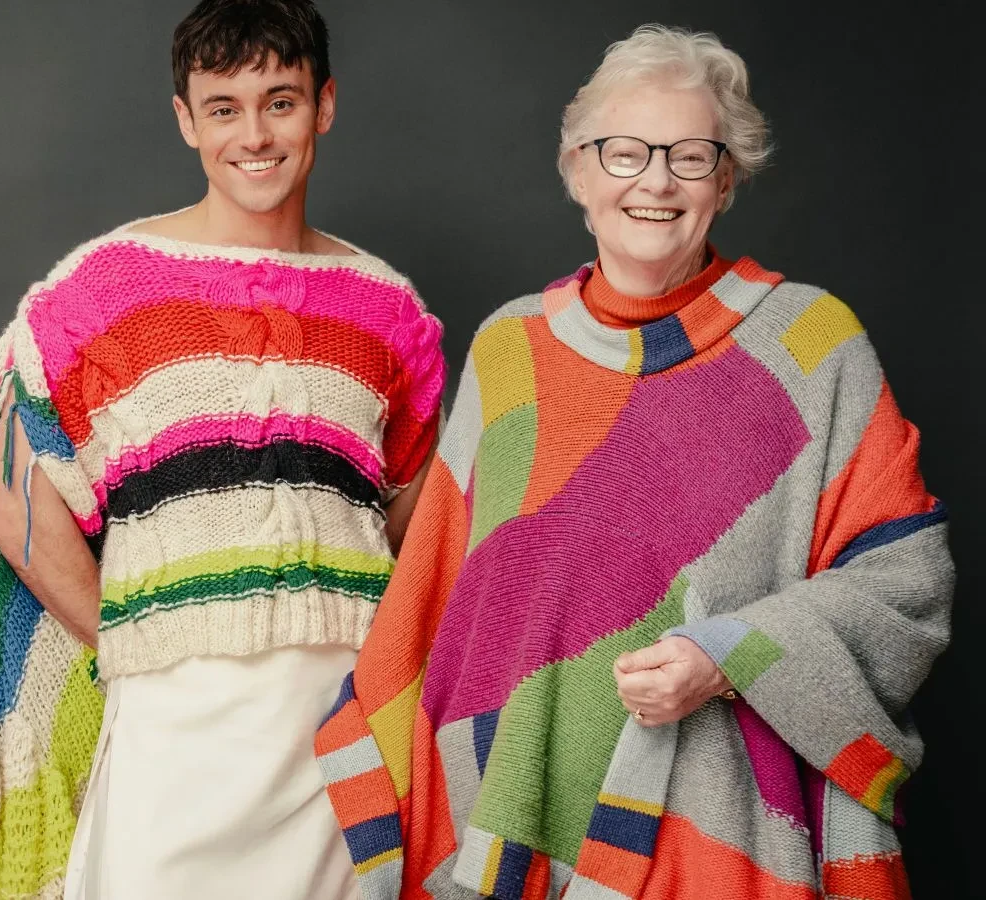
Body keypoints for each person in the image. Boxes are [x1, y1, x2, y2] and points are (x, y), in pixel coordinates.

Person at [317, 24, 954, 900]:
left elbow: (905, 581)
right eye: (624, 153)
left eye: (690, 156)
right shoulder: (510, 350)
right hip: (513, 803)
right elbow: (441, 593)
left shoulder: (811, 345)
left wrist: (727, 656)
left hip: (716, 826)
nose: (655, 181)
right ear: (578, 171)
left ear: (726, 181)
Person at [0, 1, 445, 897]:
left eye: (280, 102)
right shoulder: (102, 290)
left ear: (324, 105)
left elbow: (414, 509)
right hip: (171, 727)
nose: (255, 135)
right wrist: (129, 639)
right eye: (224, 108)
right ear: (185, 119)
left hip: (338, 730)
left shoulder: (388, 308)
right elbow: (11, 503)